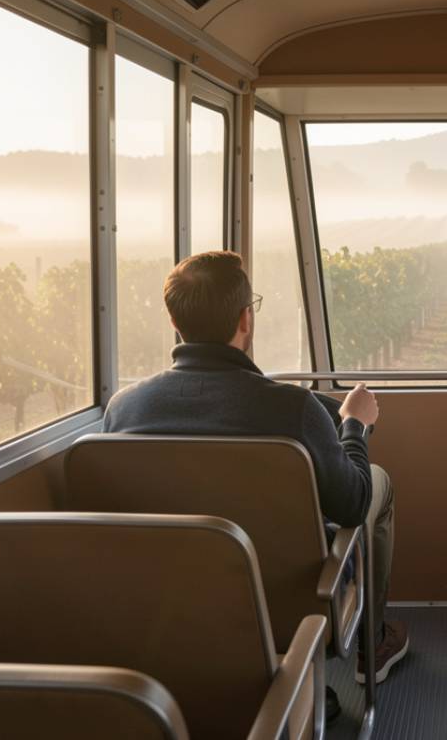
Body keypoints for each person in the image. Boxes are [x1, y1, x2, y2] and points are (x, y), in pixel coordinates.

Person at [103, 251, 409, 696]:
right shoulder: (295, 410)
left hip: (163, 602)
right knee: (377, 482)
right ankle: (372, 643)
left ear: (175, 320)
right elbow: (352, 502)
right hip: (286, 602)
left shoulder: (122, 410)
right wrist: (355, 427)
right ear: (245, 319)